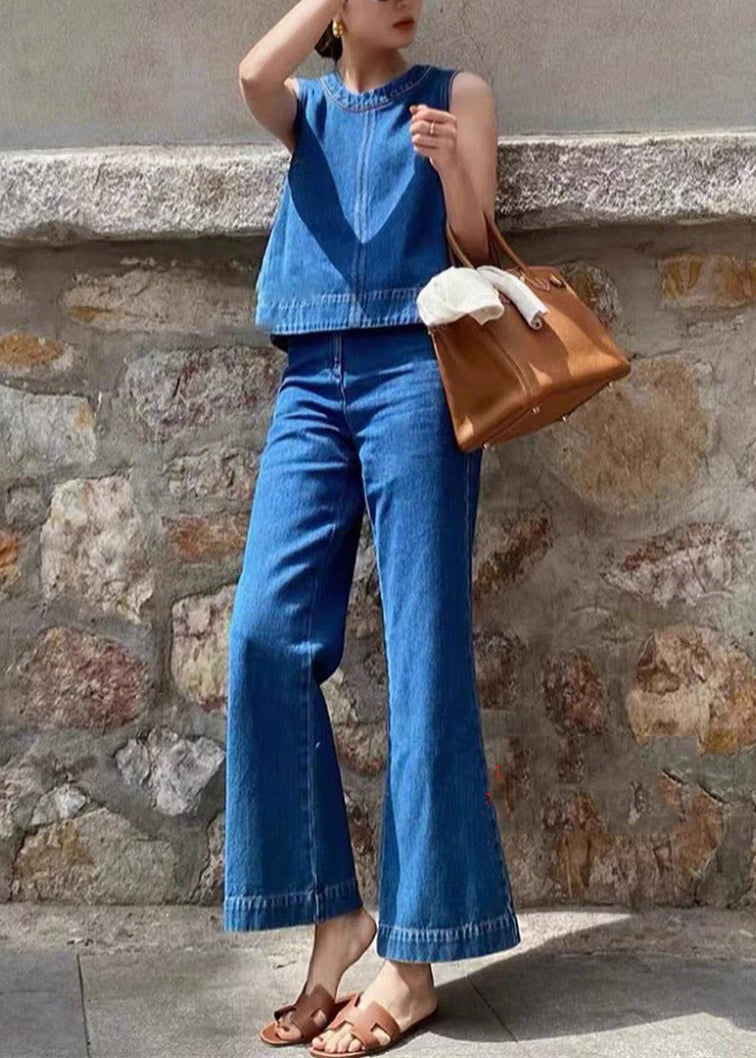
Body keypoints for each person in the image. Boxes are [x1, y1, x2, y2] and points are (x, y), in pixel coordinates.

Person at [225, 1, 521, 1053]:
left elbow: (477, 242)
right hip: (312, 381)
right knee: (263, 636)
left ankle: (412, 963)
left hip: (416, 374)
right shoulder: (305, 109)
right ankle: (335, 914)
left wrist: (448, 169)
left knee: (424, 654)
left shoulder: (457, 95)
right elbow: (253, 76)